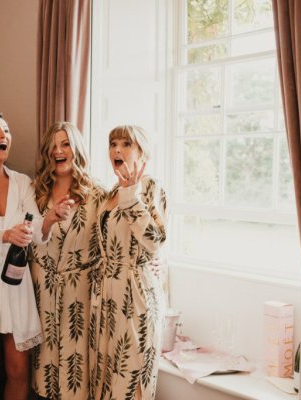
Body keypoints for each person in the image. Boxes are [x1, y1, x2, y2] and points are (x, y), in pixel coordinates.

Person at [0, 112, 70, 400]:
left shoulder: (23, 183)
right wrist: (6, 235)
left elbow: (35, 230)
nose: (4, 136)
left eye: (7, 131)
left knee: (19, 369)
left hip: (15, 281)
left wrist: (50, 219)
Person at [30, 121, 107, 399]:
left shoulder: (97, 195)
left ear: (76, 150)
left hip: (82, 294)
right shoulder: (36, 193)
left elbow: (113, 242)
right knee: (45, 371)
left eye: (65, 144)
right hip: (44, 292)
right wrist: (47, 221)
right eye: (53, 145)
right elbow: (25, 241)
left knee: (78, 371)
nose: (58, 150)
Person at [90, 125, 167, 400]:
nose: (117, 149)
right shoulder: (109, 193)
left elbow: (155, 241)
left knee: (130, 378)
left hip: (137, 297)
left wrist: (131, 195)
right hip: (107, 295)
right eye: (113, 143)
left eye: (126, 143)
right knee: (106, 379)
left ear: (141, 152)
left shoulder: (150, 187)